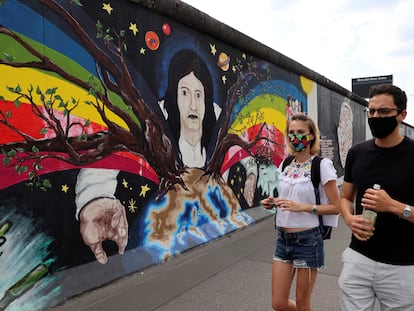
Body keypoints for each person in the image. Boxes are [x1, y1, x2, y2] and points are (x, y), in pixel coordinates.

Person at [338, 84, 414, 311]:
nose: (375, 117)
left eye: (383, 112)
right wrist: (350, 219)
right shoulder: (357, 153)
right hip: (358, 259)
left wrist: (393, 206)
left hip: (403, 267)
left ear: (402, 115)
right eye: (371, 111)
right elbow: (344, 197)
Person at [262, 113, 340, 311]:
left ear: (312, 135)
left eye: (301, 133)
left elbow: (336, 206)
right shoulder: (286, 164)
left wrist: (303, 207)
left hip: (308, 240)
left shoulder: (322, 165)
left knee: (303, 302)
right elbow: (289, 197)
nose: (295, 137)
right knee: (278, 302)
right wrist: (273, 202)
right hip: (283, 239)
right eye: (291, 133)